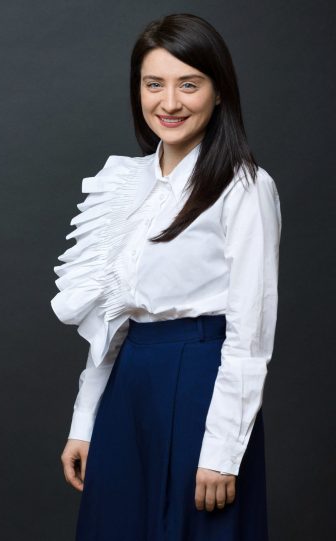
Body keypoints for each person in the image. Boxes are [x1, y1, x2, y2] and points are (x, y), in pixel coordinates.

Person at [52, 14, 279, 540]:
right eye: (154, 84)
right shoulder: (125, 182)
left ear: (219, 92)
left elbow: (250, 335)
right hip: (129, 386)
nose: (169, 102)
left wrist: (223, 452)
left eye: (189, 84)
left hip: (201, 383)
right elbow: (114, 321)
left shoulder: (244, 187)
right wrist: (85, 421)